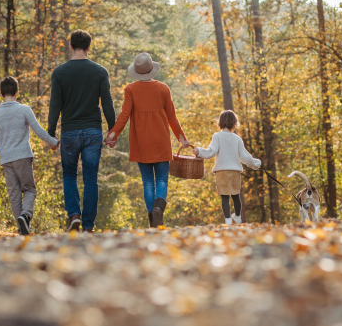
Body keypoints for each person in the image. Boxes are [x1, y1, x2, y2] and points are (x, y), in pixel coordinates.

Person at [105, 52, 189, 227]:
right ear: (152, 69)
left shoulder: (130, 89)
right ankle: (159, 208)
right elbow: (172, 118)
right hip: (161, 141)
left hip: (140, 142)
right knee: (162, 180)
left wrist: (113, 134)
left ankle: (152, 218)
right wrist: (182, 139)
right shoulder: (164, 88)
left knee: (148, 183)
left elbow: (124, 115)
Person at [48, 29, 115, 233]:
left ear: (70, 46)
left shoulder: (59, 72)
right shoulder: (100, 71)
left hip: (69, 132)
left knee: (69, 174)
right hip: (93, 131)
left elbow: (55, 105)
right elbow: (107, 102)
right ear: (88, 47)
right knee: (90, 177)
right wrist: (113, 129)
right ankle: (88, 226)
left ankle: (74, 216)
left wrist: (51, 133)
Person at [0, 76, 59, 235]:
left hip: (6, 159)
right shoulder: (24, 109)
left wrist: (5, 140)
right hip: (22, 156)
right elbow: (39, 130)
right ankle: (25, 215)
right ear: (17, 92)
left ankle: (22, 229)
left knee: (14, 194)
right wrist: (53, 142)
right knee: (29, 190)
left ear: (1, 94)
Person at [192, 110, 261, 225]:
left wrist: (199, 151)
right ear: (234, 123)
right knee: (235, 196)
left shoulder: (217, 136)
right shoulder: (237, 138)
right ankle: (238, 216)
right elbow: (244, 156)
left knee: (224, 196)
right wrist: (254, 163)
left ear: (220, 122)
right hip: (235, 171)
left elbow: (211, 152)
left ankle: (228, 219)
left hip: (222, 171)